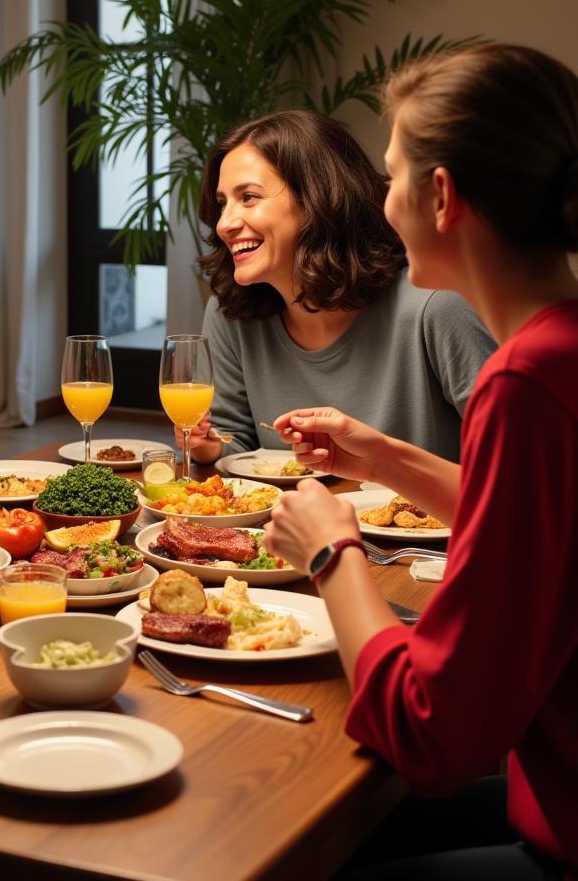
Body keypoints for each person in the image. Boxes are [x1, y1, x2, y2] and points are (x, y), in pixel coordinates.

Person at [264, 44, 578, 877]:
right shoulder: (561, 353)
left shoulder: (525, 383)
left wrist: (332, 552)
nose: (381, 198)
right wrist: (388, 460)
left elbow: (430, 732)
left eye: (394, 174)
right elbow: (543, 535)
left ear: (441, 197)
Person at [184, 109, 495, 466]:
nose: (225, 223)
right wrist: (209, 446)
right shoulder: (230, 314)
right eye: (223, 203)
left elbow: (521, 465)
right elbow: (235, 443)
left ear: (317, 199)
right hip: (292, 520)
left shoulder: (435, 308)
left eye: (249, 197)